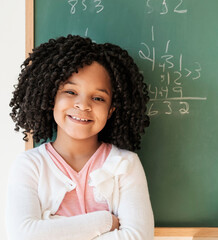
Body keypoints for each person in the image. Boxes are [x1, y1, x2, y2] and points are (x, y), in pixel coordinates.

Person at [7, 35, 154, 240]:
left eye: (98, 98)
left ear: (111, 110)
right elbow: (22, 235)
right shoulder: (30, 165)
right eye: (70, 91)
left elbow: (138, 237)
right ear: (52, 98)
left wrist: (51, 228)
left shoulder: (125, 165)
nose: (83, 105)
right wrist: (105, 221)